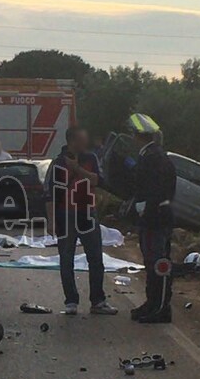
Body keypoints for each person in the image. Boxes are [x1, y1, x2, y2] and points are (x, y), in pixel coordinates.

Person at [45, 126, 118, 316]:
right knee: (66, 259)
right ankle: (71, 301)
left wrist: (77, 169)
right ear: (72, 141)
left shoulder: (91, 159)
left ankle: (98, 301)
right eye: (82, 139)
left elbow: (99, 181)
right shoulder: (58, 163)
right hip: (65, 215)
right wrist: (51, 221)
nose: (86, 143)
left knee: (95, 258)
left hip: (87, 213)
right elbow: (50, 194)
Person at [127, 114, 177, 324]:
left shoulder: (152, 158)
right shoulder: (157, 155)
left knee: (158, 263)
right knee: (153, 262)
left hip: (154, 217)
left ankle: (160, 307)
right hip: (158, 215)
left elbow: (153, 189)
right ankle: (152, 303)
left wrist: (145, 210)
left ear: (138, 136)